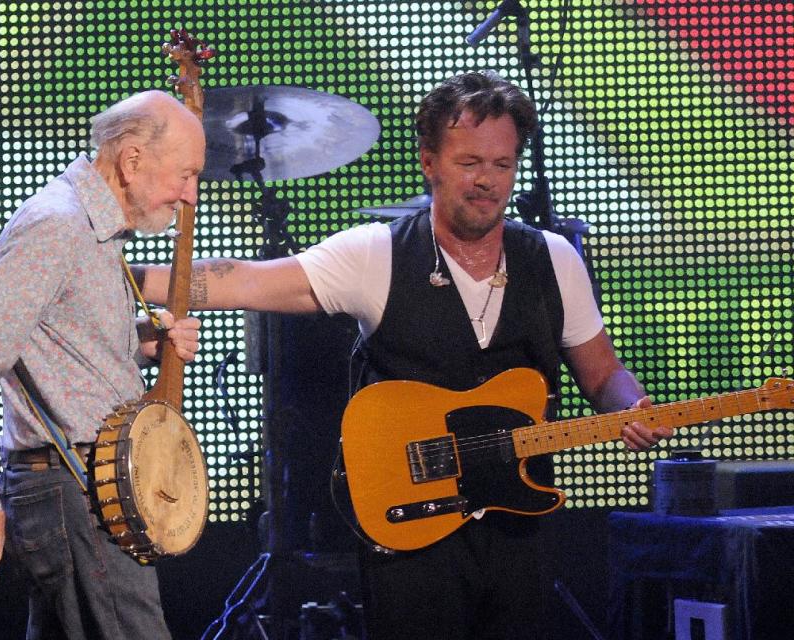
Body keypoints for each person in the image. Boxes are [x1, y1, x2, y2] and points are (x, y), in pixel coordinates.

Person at [131, 71, 672, 639]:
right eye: (469, 163)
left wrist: (630, 402)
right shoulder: (376, 255)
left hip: (519, 526)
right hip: (411, 531)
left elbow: (604, 373)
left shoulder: (555, 259)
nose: (487, 181)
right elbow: (239, 281)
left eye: (501, 165)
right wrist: (133, 278)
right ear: (430, 163)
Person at [0, 90, 204, 639]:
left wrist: (144, 339)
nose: (190, 195)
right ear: (131, 161)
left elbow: (56, 337)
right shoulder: (58, 227)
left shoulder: (92, 230)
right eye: (186, 174)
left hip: (86, 493)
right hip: (75, 495)